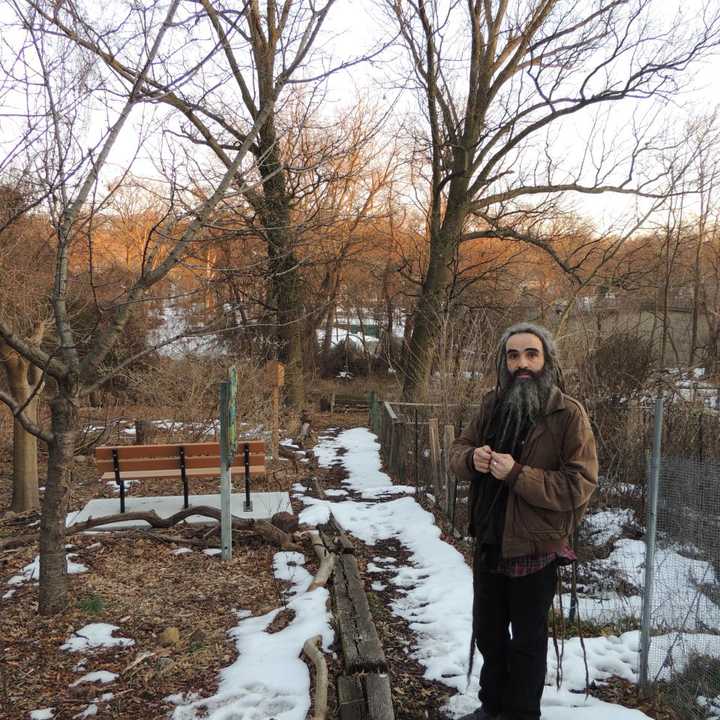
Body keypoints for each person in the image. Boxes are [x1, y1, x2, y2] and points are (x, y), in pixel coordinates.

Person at [450, 322, 598, 720]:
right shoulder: (492, 404)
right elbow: (458, 450)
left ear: (546, 359)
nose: (522, 363)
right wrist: (471, 459)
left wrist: (518, 474)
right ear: (505, 362)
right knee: (489, 634)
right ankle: (491, 706)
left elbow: (578, 484)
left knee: (528, 641)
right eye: (513, 355)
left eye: (531, 354)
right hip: (490, 541)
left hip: (536, 546)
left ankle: (520, 714)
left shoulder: (567, 414)